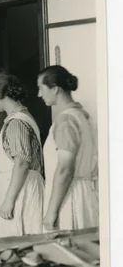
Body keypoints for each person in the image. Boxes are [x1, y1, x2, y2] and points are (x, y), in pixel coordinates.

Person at [37, 66, 98, 231]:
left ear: (55, 89)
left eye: (41, 88)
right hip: (87, 195)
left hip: (69, 198)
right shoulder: (83, 116)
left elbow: (65, 170)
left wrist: (51, 212)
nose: (39, 94)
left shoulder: (66, 120)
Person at [0, 74, 44, 238]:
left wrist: (9, 200)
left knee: (15, 244)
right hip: (16, 186)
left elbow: (21, 164)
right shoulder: (18, 118)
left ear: (1, 96)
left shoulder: (17, 122)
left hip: (20, 190)